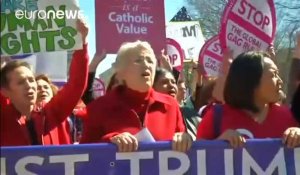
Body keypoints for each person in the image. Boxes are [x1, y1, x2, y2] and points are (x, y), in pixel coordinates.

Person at [81, 40, 192, 152]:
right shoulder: (98, 108)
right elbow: (82, 157)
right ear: (121, 72)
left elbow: (184, 141)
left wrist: (184, 139)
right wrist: (109, 141)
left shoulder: (170, 105)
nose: (146, 65)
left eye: (150, 61)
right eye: (138, 60)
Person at [0, 19, 89, 146]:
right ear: (5, 91)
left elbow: (76, 84)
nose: (29, 86)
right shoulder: (3, 118)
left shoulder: (52, 112)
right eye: (20, 82)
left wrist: (82, 42)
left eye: (31, 80)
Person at [197, 51, 300, 148]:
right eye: (273, 75)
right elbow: (196, 158)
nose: (280, 81)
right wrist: (218, 145)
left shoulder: (289, 117)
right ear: (251, 80)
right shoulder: (215, 117)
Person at [153, 67, 201, 140]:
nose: (171, 85)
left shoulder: (191, 115)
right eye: (164, 82)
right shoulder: (146, 117)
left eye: (173, 82)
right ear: (152, 88)